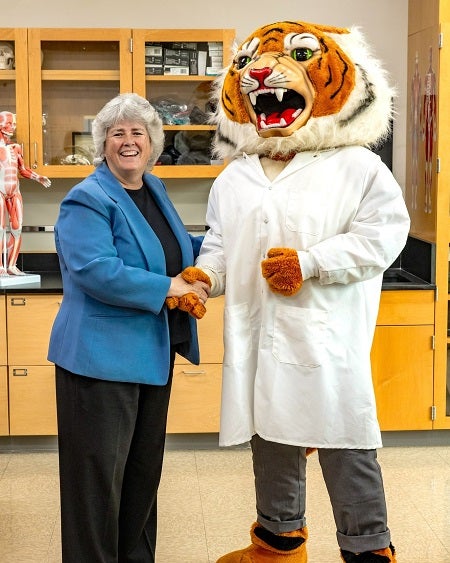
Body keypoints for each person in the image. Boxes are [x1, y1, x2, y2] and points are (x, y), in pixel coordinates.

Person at [194, 20, 410, 562]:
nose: (262, 77)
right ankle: (278, 543)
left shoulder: (357, 167)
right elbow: (221, 245)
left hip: (325, 338)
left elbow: (383, 236)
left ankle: (367, 551)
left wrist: (311, 264)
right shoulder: (235, 177)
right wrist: (205, 277)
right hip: (259, 336)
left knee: (346, 446)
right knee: (270, 442)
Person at [48, 92, 211, 563]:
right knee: (96, 486)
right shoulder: (87, 198)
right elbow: (95, 269)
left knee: (141, 478)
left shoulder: (152, 189)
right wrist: (167, 286)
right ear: (103, 144)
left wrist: (221, 248)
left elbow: (173, 246)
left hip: (151, 357)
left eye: (138, 131)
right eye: (117, 133)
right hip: (99, 363)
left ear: (153, 143)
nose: (128, 140)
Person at [0, 110, 51, 276]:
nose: (11, 128)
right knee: (0, 229)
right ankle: (1, 267)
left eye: (13, 124)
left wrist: (38, 177)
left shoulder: (16, 148)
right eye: (8, 124)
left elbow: (22, 170)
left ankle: (12, 265)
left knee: (17, 228)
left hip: (15, 191)